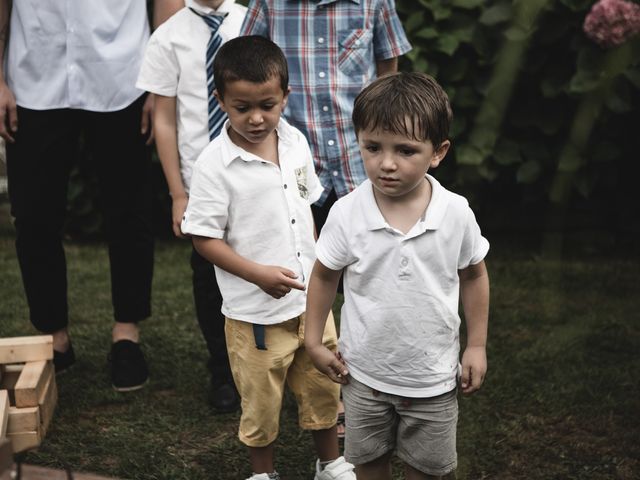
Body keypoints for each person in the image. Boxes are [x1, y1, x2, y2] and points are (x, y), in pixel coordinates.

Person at [181, 36, 356, 480]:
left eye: (268, 104)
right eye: (242, 107)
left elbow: (308, 209)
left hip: (311, 304)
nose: (257, 118)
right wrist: (256, 274)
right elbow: (203, 238)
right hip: (255, 315)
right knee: (261, 400)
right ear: (220, 100)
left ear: (285, 97)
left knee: (323, 386)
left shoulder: (295, 142)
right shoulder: (214, 165)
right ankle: (263, 472)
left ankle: (329, 461)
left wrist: (323, 266)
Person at [304, 72, 491, 480]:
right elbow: (323, 277)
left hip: (432, 381)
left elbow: (474, 275)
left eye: (405, 150)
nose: (386, 163)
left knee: (428, 470)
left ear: (438, 152)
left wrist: (475, 345)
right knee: (369, 464)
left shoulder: (455, 213)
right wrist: (313, 340)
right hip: (363, 375)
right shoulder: (347, 212)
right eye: (373, 147)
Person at [0, 0, 183, 390]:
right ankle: (54, 336)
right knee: (33, 215)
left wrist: (161, 82)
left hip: (122, 74)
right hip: (33, 73)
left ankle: (127, 334)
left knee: (129, 210)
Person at [136, 0, 247, 412]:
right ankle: (224, 368)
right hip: (201, 178)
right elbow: (165, 119)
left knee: (262, 261)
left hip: (253, 169)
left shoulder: (251, 21)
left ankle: (272, 360)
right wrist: (178, 193)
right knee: (209, 273)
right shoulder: (169, 36)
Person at [239, 0, 412, 230]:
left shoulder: (374, 3)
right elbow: (242, 64)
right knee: (303, 254)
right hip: (292, 162)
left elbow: (387, 73)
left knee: (367, 251)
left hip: (357, 159)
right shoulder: (268, 4)